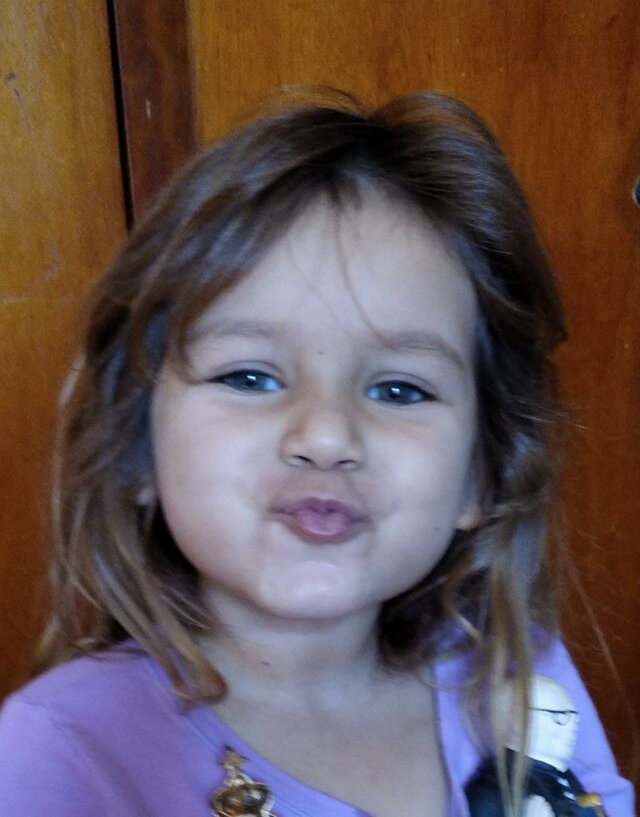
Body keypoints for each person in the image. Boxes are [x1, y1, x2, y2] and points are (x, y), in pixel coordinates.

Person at [0, 89, 634, 817]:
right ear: (135, 446)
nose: (327, 437)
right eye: (250, 377)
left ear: (480, 473)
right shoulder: (62, 751)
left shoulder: (519, 684)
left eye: (399, 389)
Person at [466, 675, 610, 816]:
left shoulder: (560, 774)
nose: (573, 725)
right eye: (560, 715)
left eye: (573, 715)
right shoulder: (497, 789)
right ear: (519, 721)